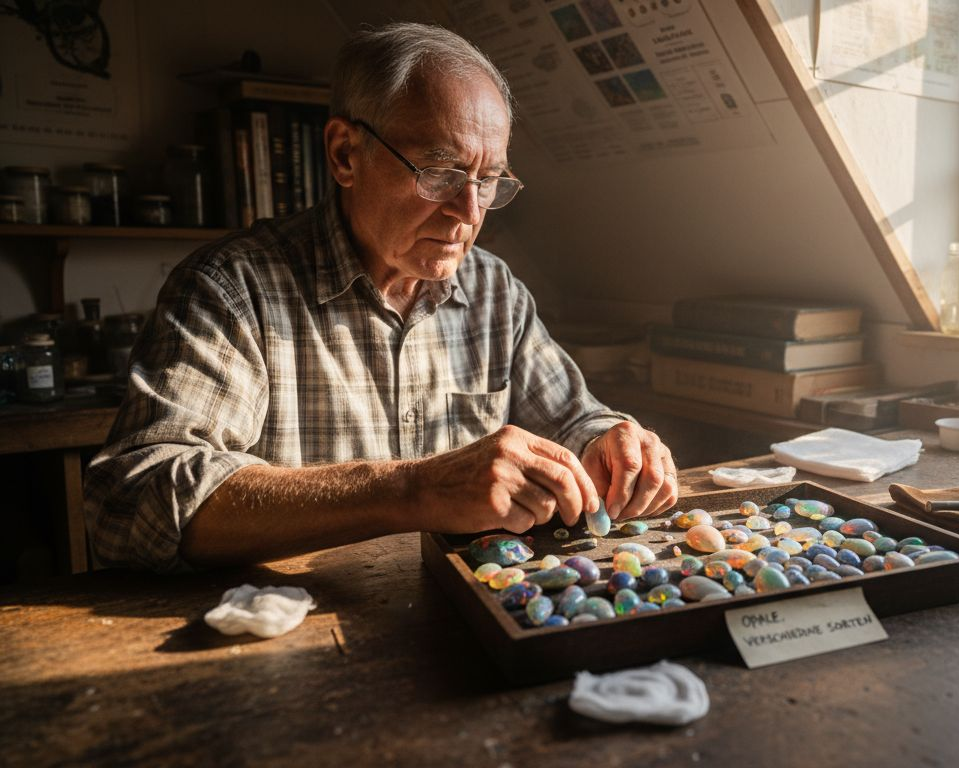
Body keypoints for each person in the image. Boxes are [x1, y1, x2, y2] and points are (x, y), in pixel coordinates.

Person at [83, 22, 677, 573]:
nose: (469, 213)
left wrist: (611, 440)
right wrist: (413, 490)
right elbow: (132, 502)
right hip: (290, 625)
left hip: (462, 613)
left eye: (489, 180)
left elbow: (574, 419)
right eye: (440, 172)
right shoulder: (232, 290)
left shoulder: (494, 291)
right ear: (345, 154)